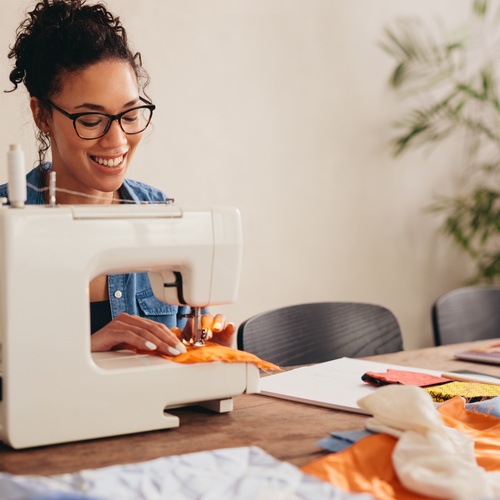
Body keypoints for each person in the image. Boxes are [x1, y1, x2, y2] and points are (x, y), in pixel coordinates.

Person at [0, 0, 235, 356]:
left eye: (130, 114)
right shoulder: (5, 221)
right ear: (42, 115)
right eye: (91, 121)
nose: (117, 141)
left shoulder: (159, 212)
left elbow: (182, 338)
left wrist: (196, 348)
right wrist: (83, 350)